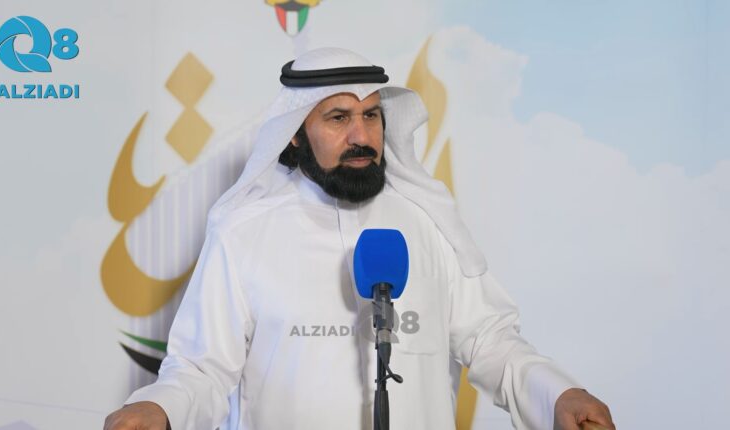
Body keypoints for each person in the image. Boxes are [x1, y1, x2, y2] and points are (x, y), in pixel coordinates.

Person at [104, 48, 615, 430]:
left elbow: (490, 341)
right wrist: (159, 408)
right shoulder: (244, 232)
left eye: (371, 116)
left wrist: (559, 395)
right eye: (338, 118)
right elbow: (202, 368)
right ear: (295, 132)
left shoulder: (426, 220)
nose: (361, 136)